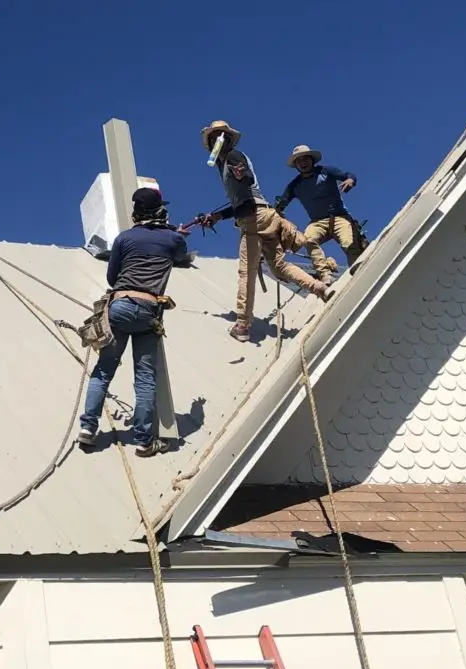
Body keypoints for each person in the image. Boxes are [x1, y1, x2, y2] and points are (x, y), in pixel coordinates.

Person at [196, 120, 337, 343]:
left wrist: (242, 175)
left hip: (253, 221)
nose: (217, 140)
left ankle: (242, 324)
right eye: (215, 137)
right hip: (264, 216)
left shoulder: (233, 157)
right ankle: (321, 288)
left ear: (225, 140)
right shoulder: (225, 166)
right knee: (279, 266)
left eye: (220, 136)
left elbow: (247, 182)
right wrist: (215, 216)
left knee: (246, 272)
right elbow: (242, 201)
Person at [78, 187, 189, 457]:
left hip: (120, 306)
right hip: (150, 311)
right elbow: (181, 256)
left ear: (135, 213)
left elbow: (111, 277)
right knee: (145, 378)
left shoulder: (124, 238)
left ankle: (88, 429)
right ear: (161, 211)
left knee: (104, 371)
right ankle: (143, 441)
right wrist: (175, 233)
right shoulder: (173, 239)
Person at [275, 145, 363, 265]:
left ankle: (357, 267)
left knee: (349, 243)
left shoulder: (326, 171)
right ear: (296, 166)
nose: (303, 163)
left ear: (312, 160)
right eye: (299, 161)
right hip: (318, 222)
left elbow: (348, 175)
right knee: (308, 240)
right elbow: (281, 202)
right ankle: (324, 272)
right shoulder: (295, 185)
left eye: (305, 159)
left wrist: (350, 180)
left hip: (339, 217)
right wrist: (278, 210)